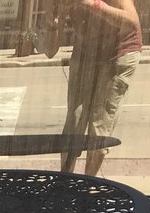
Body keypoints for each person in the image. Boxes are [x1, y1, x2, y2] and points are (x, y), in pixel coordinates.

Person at [58, 0, 142, 175]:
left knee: (99, 122)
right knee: (74, 119)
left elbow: (131, 22)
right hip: (87, 52)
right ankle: (65, 182)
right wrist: (52, 21)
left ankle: (89, 184)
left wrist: (91, 4)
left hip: (119, 52)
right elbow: (52, 49)